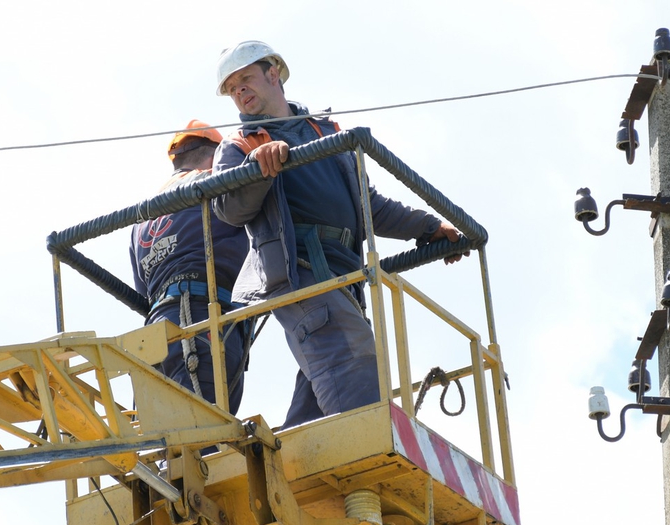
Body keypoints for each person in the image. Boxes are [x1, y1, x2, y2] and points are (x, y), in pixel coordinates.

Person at [210, 41, 465, 429]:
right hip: (301, 275)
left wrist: (429, 227)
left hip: (343, 278)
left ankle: (299, 472)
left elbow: (370, 206)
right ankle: (371, 457)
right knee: (353, 360)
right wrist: (256, 168)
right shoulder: (241, 146)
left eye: (245, 79)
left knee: (321, 387)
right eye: (232, 88)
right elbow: (229, 210)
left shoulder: (323, 131)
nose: (240, 91)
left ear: (273, 74)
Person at [130, 120, 250, 413]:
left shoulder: (141, 218)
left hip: (155, 333)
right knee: (207, 436)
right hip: (203, 319)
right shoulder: (217, 182)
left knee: (167, 448)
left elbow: (142, 289)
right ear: (218, 154)